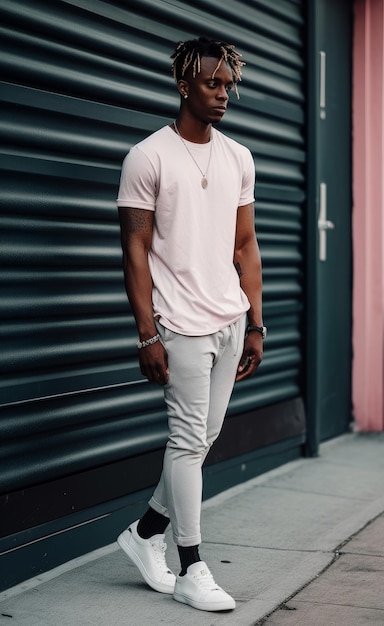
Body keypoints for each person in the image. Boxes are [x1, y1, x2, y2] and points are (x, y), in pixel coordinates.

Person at [116, 36, 265, 613]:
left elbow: (246, 244)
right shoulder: (147, 157)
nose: (224, 93)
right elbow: (134, 250)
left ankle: (145, 533)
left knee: (201, 442)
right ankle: (192, 566)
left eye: (229, 84)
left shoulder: (238, 156)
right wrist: (147, 332)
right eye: (213, 83)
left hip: (229, 320)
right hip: (178, 325)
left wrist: (256, 322)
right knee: (186, 441)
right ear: (184, 85)